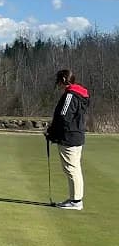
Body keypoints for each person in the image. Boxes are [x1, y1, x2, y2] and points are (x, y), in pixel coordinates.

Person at [45, 69, 89, 210]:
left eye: (59, 81)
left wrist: (51, 132)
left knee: (71, 169)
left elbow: (63, 117)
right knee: (75, 168)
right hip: (76, 135)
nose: (58, 85)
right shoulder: (80, 93)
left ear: (64, 80)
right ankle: (76, 199)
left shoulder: (70, 95)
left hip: (69, 137)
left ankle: (75, 201)